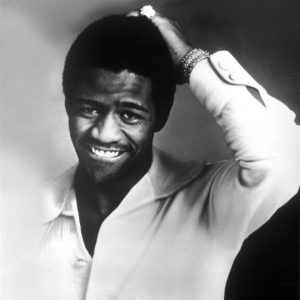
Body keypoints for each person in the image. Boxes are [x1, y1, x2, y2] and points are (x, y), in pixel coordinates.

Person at [38, 5, 300, 300]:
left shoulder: (211, 201)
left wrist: (191, 60)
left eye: (129, 115)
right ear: (68, 108)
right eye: (89, 109)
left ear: (160, 116)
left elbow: (286, 156)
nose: (104, 133)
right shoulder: (24, 211)